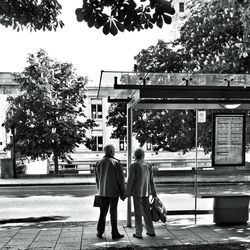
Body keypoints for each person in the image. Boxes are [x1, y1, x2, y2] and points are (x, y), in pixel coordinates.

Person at [124, 148, 157, 239]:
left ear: (135, 155)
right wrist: (153, 192)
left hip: (137, 193)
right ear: (143, 155)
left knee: (138, 213)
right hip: (146, 192)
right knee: (147, 212)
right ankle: (151, 231)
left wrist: (126, 194)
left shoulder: (133, 166)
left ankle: (138, 233)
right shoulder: (148, 165)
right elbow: (151, 181)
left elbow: (130, 182)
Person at [95, 144, 125, 240]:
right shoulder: (116, 163)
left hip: (102, 192)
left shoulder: (99, 163)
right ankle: (114, 232)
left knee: (103, 212)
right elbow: (121, 180)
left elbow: (97, 179)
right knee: (113, 211)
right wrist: (122, 192)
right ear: (112, 151)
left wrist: (100, 190)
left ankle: (100, 231)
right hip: (113, 192)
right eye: (114, 150)